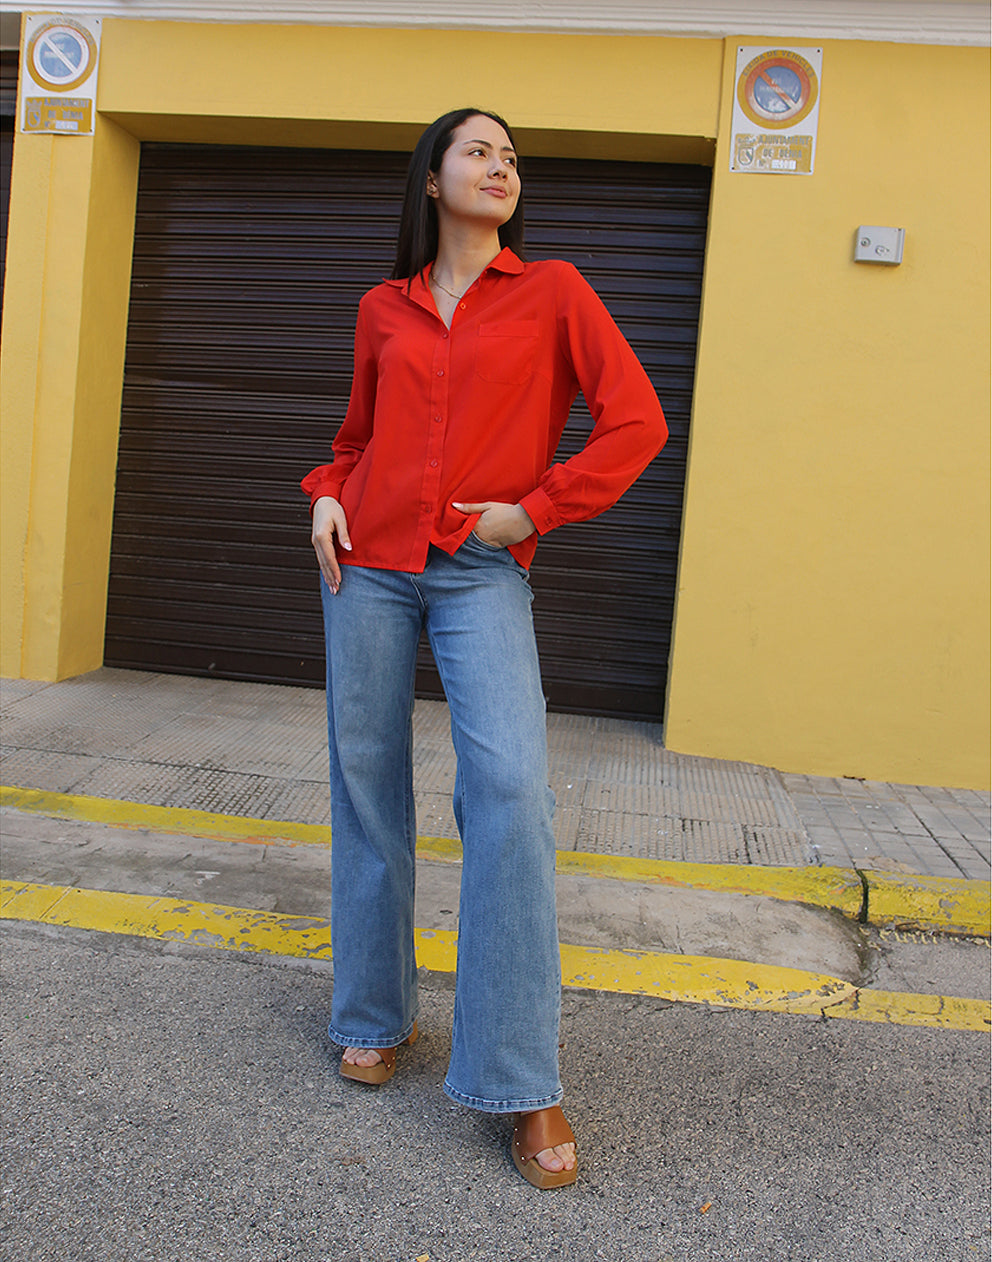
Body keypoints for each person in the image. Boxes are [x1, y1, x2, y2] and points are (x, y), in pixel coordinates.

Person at [302, 106, 667, 1189]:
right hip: (363, 562)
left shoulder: (552, 291)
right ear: (431, 177)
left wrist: (534, 510)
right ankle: (372, 1011)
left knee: (509, 791)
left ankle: (520, 1076)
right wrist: (324, 494)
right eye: (478, 150)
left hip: (477, 566)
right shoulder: (384, 307)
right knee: (365, 784)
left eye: (510, 156)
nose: (499, 166)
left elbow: (634, 421)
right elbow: (355, 438)